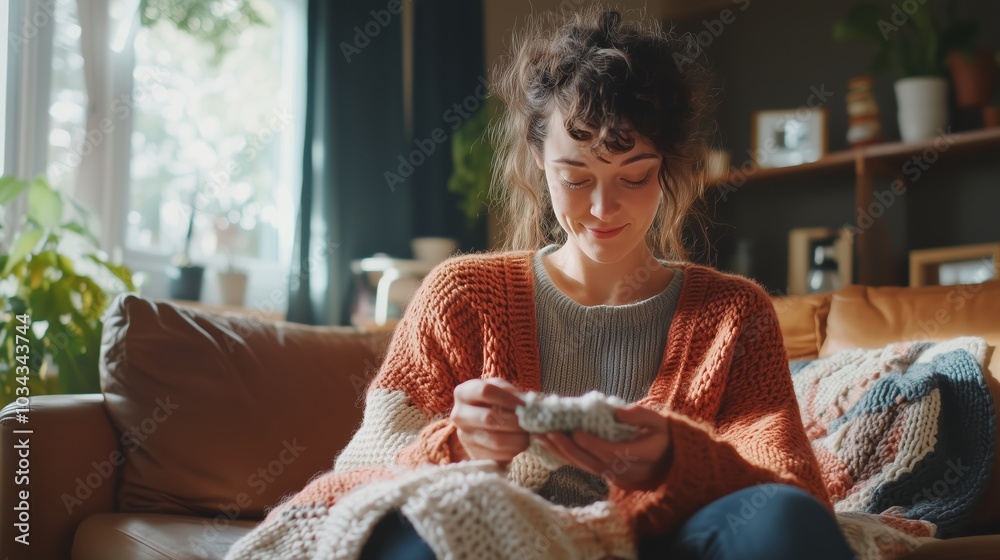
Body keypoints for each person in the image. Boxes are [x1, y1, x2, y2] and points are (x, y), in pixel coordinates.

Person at [228, 8, 858, 560]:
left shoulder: (733, 314)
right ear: (537, 158)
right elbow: (364, 470)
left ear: (669, 166)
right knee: (399, 528)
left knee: (784, 523)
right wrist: (461, 445)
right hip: (501, 537)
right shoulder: (462, 297)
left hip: (672, 539)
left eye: (634, 176)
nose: (603, 208)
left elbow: (792, 489)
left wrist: (677, 459)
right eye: (576, 177)